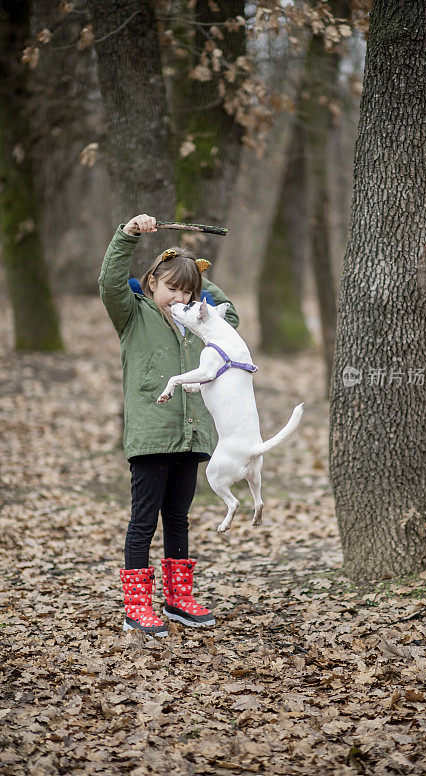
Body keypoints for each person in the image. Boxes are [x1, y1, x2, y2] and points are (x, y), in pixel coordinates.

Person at [98, 213, 239, 636]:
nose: (178, 297)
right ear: (151, 283)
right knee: (144, 521)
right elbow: (109, 283)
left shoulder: (198, 322)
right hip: (151, 437)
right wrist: (126, 235)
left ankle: (178, 600)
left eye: (187, 292)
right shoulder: (132, 314)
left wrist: (195, 271)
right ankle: (136, 607)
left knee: (178, 517)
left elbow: (230, 317)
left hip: (192, 434)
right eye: (170, 287)